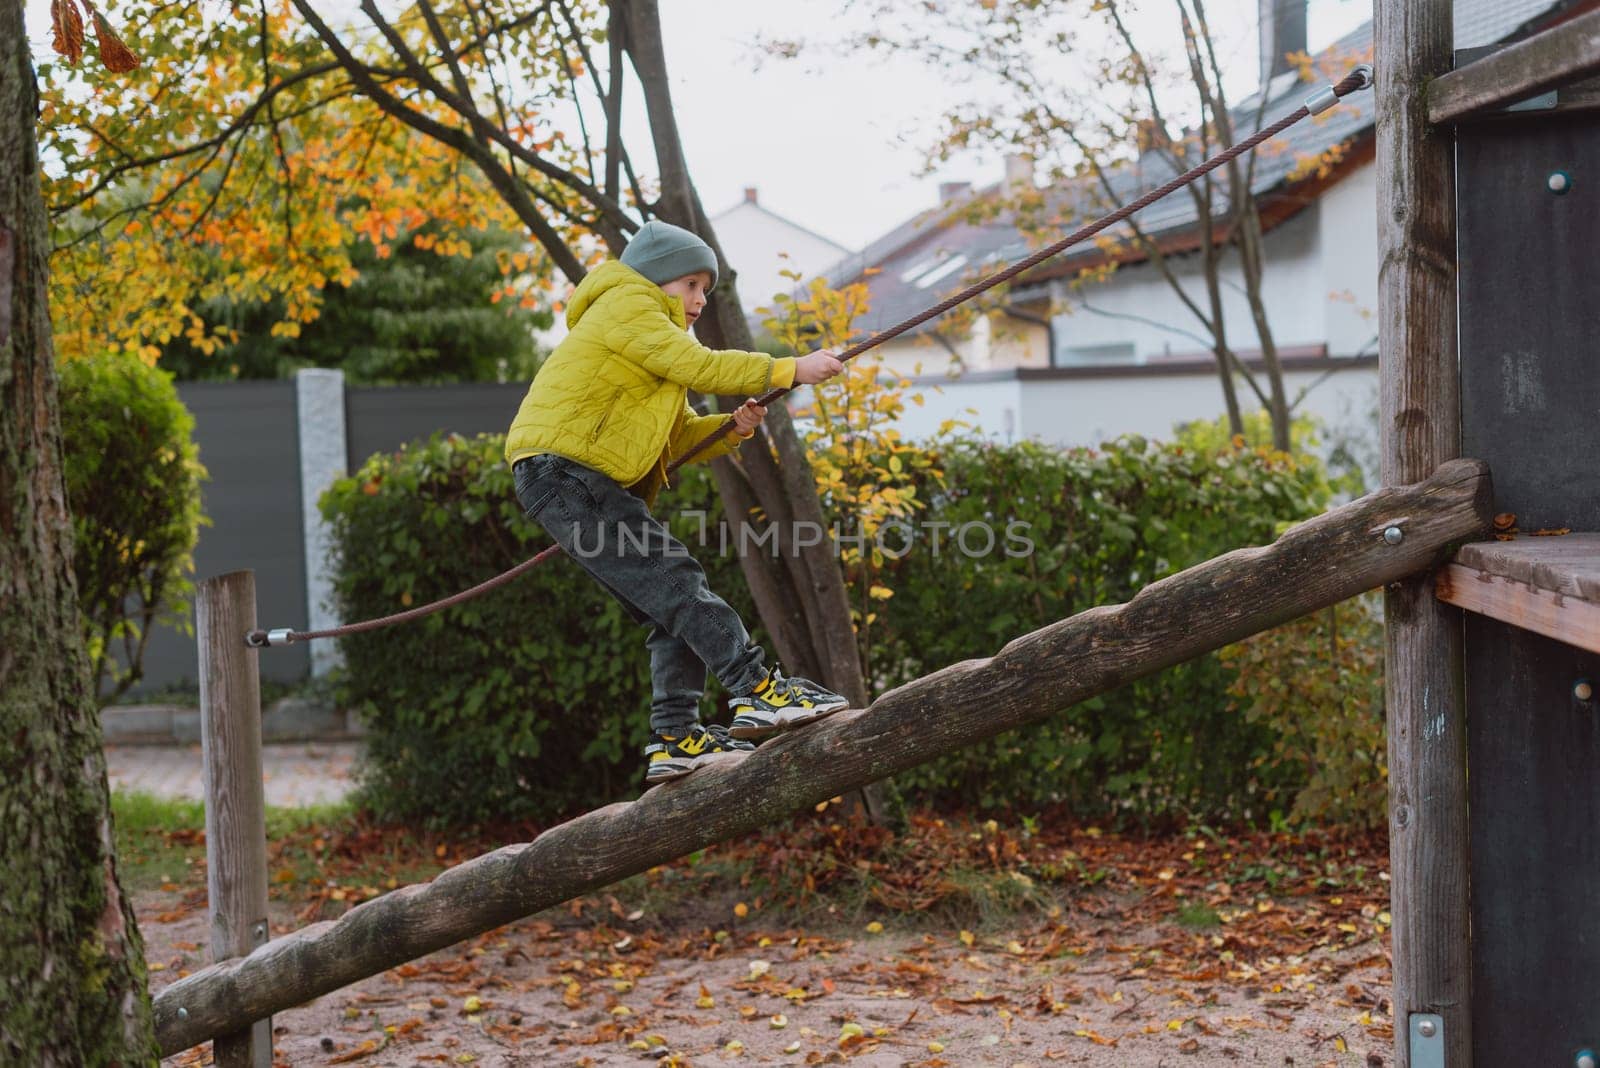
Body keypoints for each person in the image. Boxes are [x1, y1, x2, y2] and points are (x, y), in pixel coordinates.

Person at [506, 219, 851, 785]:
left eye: (706, 290)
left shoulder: (654, 340)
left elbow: (676, 436)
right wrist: (791, 369)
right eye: (689, 284)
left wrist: (732, 428)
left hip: (571, 478)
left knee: (670, 606)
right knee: (679, 585)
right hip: (566, 472)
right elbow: (704, 366)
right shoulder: (628, 305)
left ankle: (675, 737)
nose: (698, 300)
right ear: (657, 276)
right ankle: (758, 690)